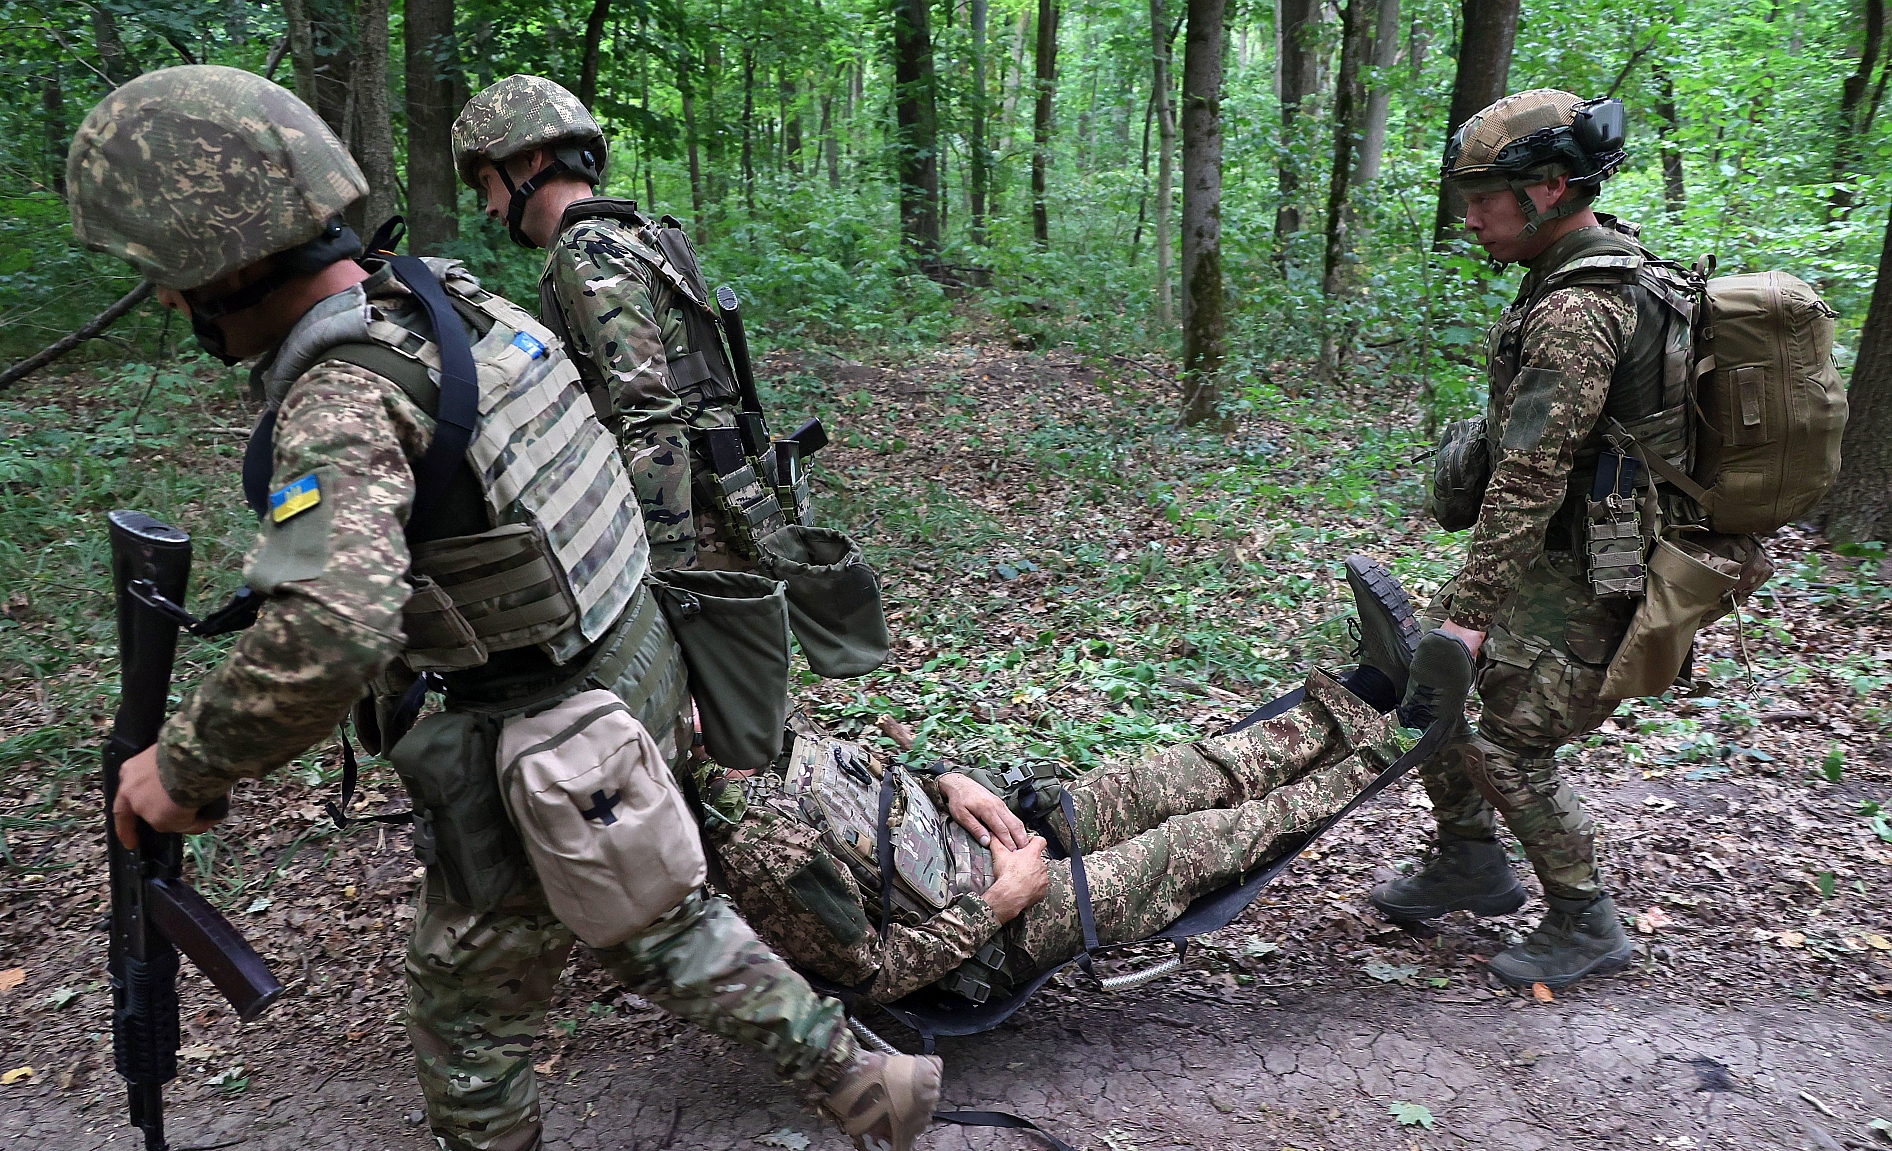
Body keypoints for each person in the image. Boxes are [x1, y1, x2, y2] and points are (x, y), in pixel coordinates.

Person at [69, 66, 939, 1151]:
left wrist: (184, 765)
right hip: (630, 677)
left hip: (546, 733)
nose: (162, 299)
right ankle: (864, 1077)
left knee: (468, 1018)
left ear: (220, 258)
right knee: (652, 919)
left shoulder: (343, 396)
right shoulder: (451, 302)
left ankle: (851, 1074)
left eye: (164, 272)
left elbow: (326, 632)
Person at [692, 557, 1439, 1005]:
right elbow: (874, 973)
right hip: (996, 926)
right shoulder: (763, 844)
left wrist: (946, 776)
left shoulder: (765, 740)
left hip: (988, 832)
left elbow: (872, 789)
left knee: (1174, 775)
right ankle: (1398, 741)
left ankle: (1373, 686)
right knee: (1199, 840)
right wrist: (1001, 899)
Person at [1379, 89, 1709, 989]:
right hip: (1557, 555)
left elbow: (1532, 475)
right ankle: (1469, 861)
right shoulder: (1574, 274)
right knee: (1426, 685)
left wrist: (1469, 618)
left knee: (1506, 735)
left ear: (1553, 189)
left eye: (1489, 195)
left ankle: (1584, 917)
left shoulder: (1580, 305)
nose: (1471, 213)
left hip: (1595, 572)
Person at [451, 74, 774, 573]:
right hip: (726, 497)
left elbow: (649, 410)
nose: (490, 207)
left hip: (693, 527)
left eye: (487, 183)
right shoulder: (637, 234)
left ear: (529, 159)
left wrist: (670, 571)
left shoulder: (587, 251)